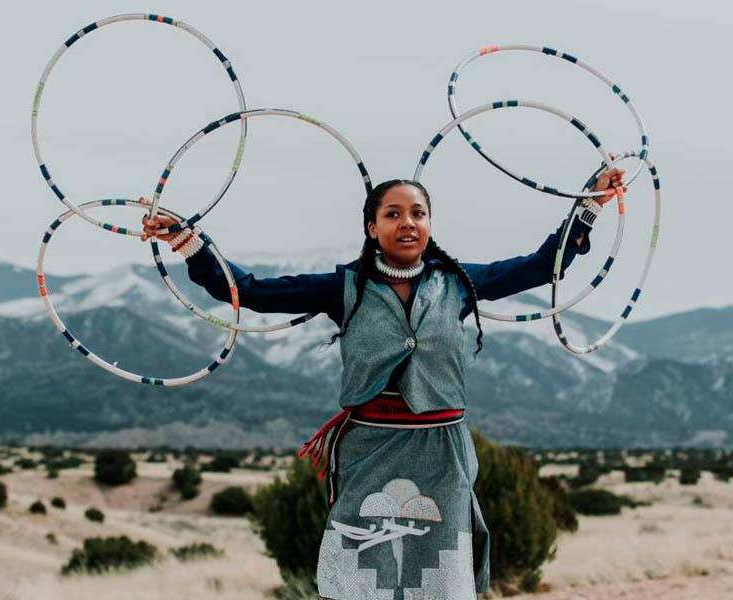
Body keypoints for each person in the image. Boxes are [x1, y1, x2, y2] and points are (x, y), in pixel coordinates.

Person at [141, 169, 623, 599]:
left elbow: (544, 266)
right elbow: (249, 291)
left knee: (442, 572)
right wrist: (188, 241)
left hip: (443, 451)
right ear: (372, 228)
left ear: (431, 224)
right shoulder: (343, 286)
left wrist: (589, 207)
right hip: (370, 449)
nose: (407, 222)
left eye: (418, 213)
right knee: (361, 570)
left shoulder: (458, 283)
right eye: (393, 214)